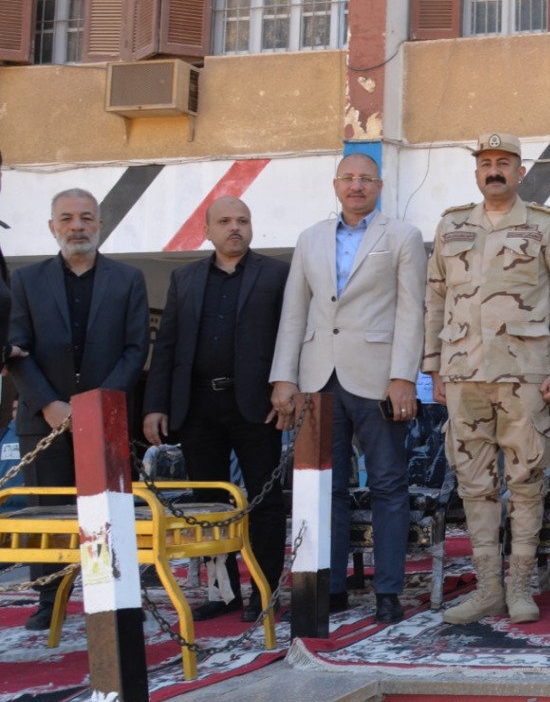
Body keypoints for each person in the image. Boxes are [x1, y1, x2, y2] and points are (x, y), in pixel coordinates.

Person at [424, 132, 550, 624]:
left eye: (504, 162)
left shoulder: (544, 225)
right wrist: (433, 366)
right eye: (486, 163)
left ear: (520, 171)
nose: (494, 170)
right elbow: (435, 297)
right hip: (463, 373)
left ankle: (520, 588)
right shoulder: (451, 225)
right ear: (477, 171)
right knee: (473, 483)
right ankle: (488, 589)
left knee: (527, 480)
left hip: (525, 373)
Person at [270, 153, 426, 625]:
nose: (356, 186)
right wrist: (284, 377)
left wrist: (404, 377)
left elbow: (411, 310)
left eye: (365, 179)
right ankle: (329, 587)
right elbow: (294, 310)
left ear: (379, 186)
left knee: (388, 484)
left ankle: (388, 591)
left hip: (379, 378)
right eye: (348, 178)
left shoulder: (402, 236)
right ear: (335, 184)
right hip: (318, 377)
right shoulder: (309, 238)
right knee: (324, 489)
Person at [8, 189, 149, 631]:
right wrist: (50, 404)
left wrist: (96, 407)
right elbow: (16, 349)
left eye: (86, 217)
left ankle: (112, 596)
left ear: (100, 224)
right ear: (52, 227)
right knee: (47, 514)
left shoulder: (128, 279)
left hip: (106, 419)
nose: (77, 226)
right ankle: (49, 601)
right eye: (66, 218)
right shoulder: (25, 281)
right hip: (43, 420)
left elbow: (135, 349)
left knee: (108, 513)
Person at [144, 196, 290, 621]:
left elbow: (292, 335)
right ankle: (223, 593)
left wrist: (289, 386)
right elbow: (167, 344)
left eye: (242, 220)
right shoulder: (184, 278)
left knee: (264, 501)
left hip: (256, 405)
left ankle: (264, 592)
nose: (235, 227)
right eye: (224, 221)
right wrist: (155, 405)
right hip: (197, 405)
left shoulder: (276, 274)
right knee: (207, 503)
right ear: (207, 230)